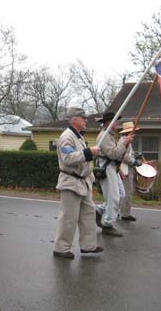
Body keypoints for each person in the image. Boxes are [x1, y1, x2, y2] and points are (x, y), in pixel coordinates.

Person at [53, 107, 103, 259]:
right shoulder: (66, 137)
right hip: (70, 182)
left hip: (82, 182)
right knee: (69, 217)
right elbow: (68, 158)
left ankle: (88, 246)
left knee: (88, 214)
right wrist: (89, 152)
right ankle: (61, 248)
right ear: (74, 119)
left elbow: (81, 159)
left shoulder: (79, 137)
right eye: (83, 117)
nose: (86, 120)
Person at [94, 112, 134, 237]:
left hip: (113, 167)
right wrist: (124, 142)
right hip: (106, 168)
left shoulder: (110, 135)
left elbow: (118, 155)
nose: (117, 123)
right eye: (115, 120)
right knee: (113, 197)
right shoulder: (104, 136)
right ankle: (107, 225)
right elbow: (113, 154)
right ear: (108, 122)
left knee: (121, 194)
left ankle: (100, 210)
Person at [119, 122, 143, 221]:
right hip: (125, 169)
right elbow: (123, 156)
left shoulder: (127, 141)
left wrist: (135, 155)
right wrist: (135, 162)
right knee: (126, 192)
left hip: (128, 168)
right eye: (133, 131)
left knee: (127, 192)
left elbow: (128, 153)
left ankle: (123, 212)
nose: (134, 133)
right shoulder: (124, 141)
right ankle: (124, 214)